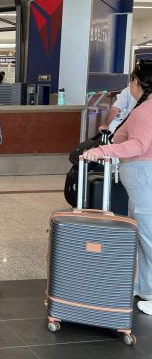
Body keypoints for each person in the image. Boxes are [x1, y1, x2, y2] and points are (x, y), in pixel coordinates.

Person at [82, 60, 152, 314]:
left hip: (145, 179)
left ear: (138, 83)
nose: (130, 85)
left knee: (149, 237)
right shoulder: (145, 107)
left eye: (132, 80)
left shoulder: (146, 110)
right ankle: (146, 287)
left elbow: (138, 146)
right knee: (143, 236)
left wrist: (103, 150)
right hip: (142, 181)